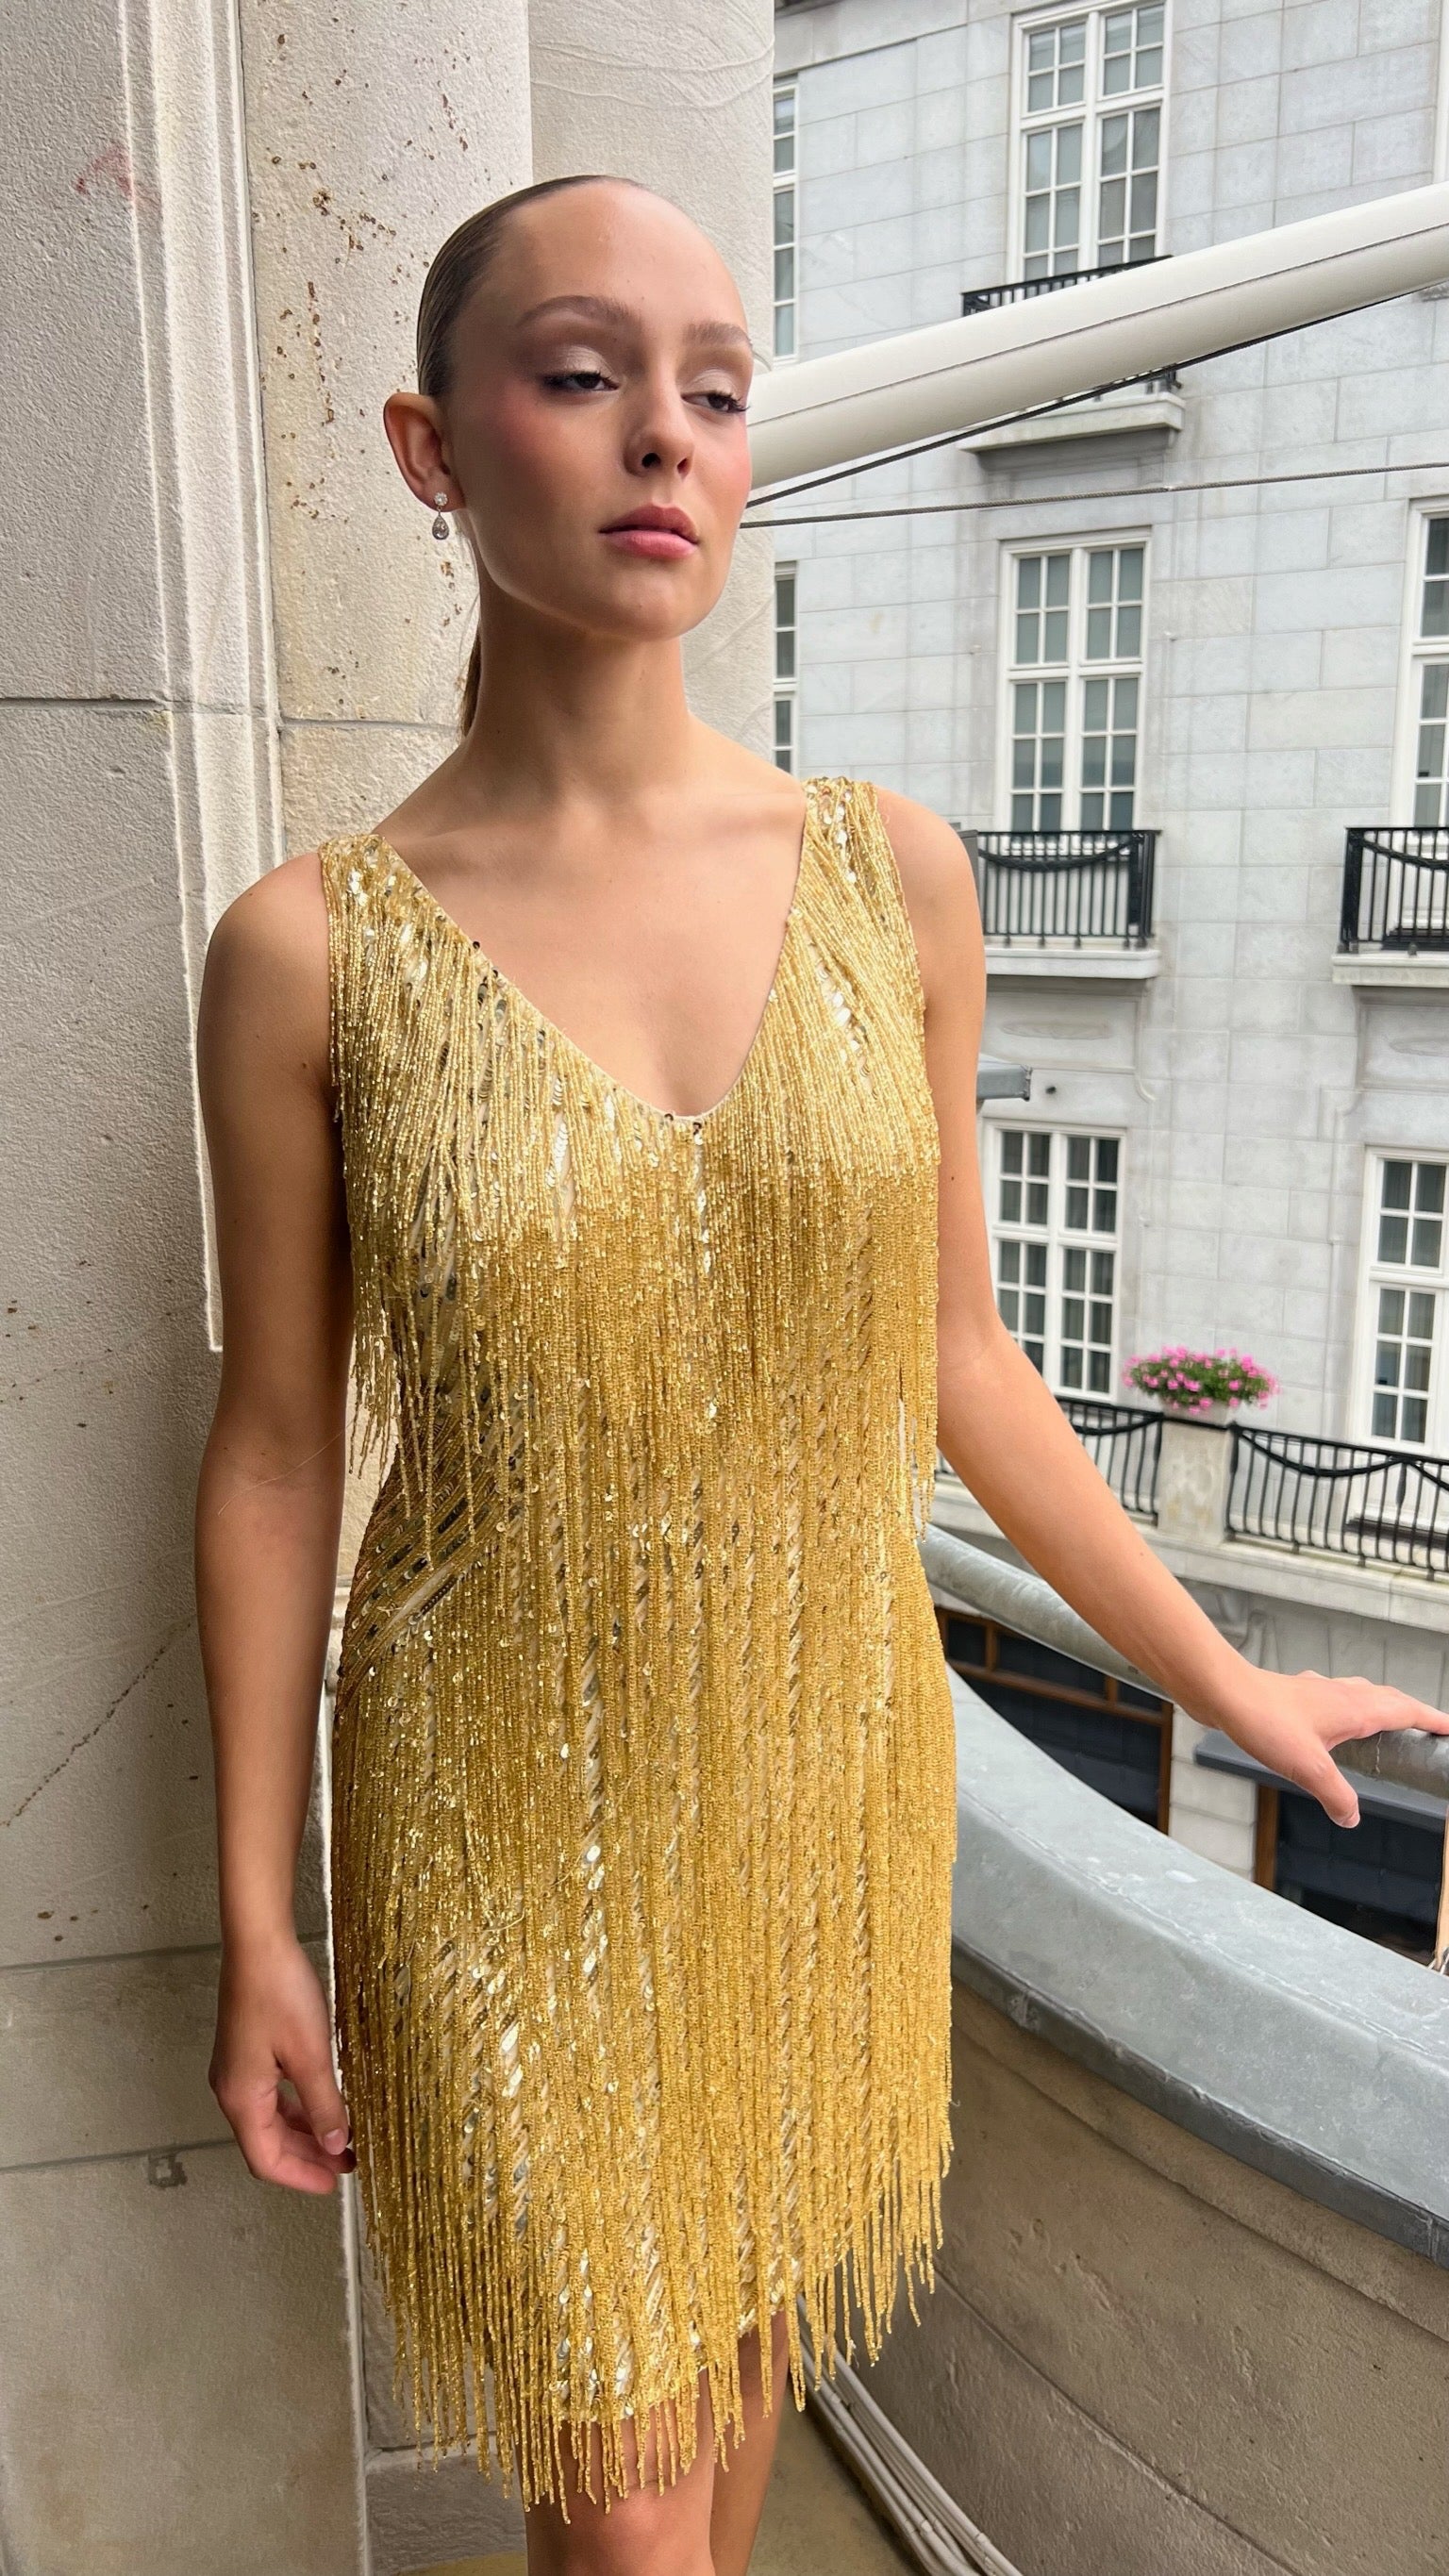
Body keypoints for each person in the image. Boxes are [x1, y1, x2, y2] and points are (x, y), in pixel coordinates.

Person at [193, 173, 1449, 2576]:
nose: (666, 435)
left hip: (823, 1759)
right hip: (496, 1802)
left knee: (742, 2374)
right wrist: (262, 1912)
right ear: (433, 447)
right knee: (628, 2511)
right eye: (583, 374)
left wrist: (1220, 1679)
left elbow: (959, 1354)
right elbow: (271, 1455)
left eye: (719, 390)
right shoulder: (308, 953)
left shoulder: (897, 874)